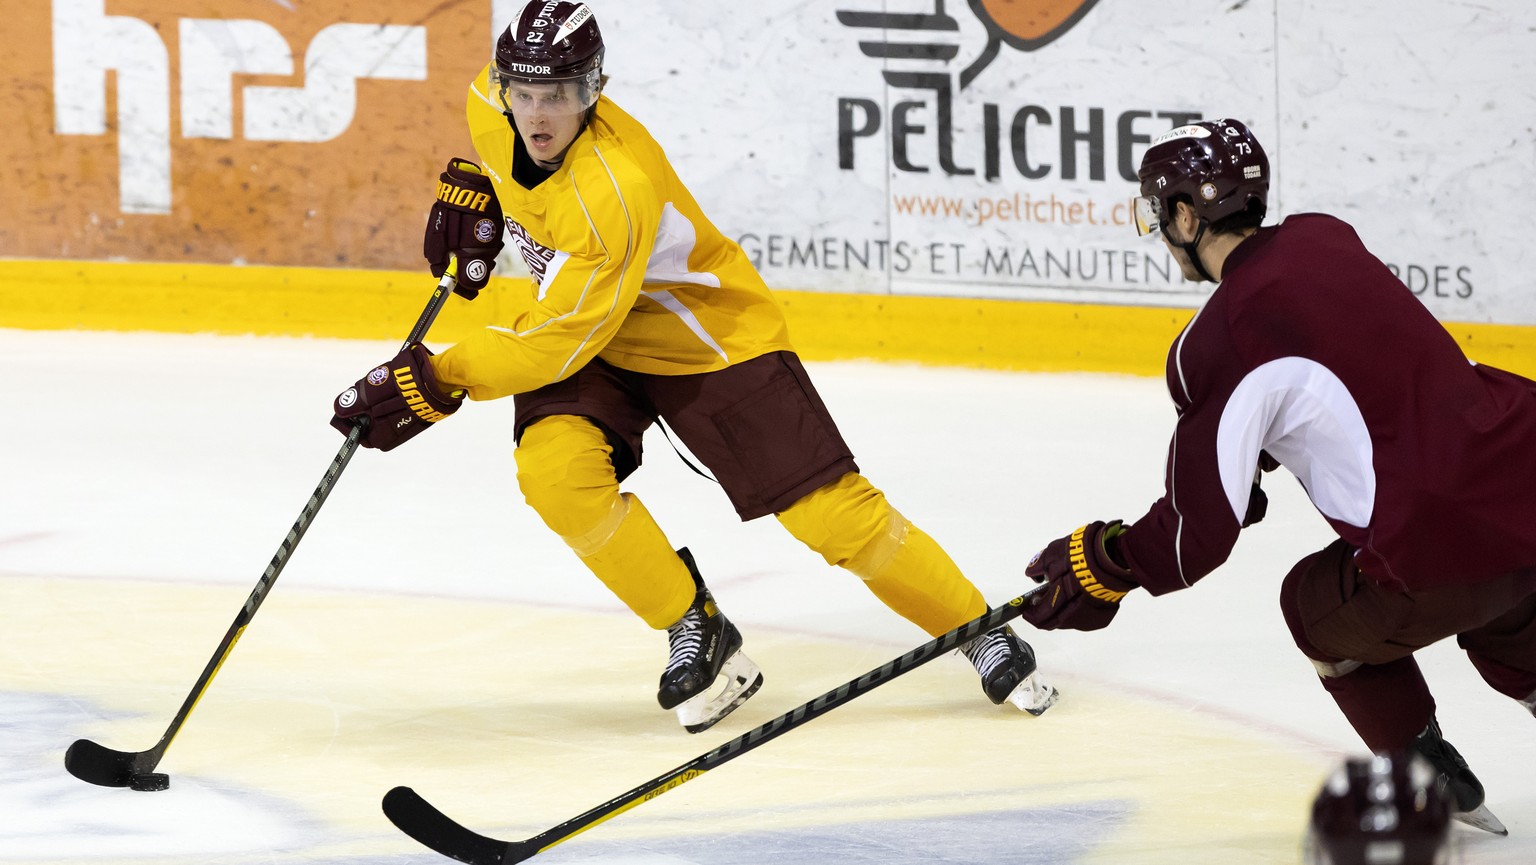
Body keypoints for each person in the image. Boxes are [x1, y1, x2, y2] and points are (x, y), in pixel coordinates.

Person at [329, 0, 1057, 734]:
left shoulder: (617, 185)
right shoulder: (489, 106)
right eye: (526, 93)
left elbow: (556, 345)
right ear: (502, 83)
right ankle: (697, 626)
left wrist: (440, 374)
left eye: (560, 96)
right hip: (591, 331)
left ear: (594, 91)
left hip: (703, 336)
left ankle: (979, 625)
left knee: (831, 513)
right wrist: (485, 193)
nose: (538, 115)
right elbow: (528, 196)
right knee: (555, 475)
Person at [1019, 118, 1536, 835]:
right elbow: (1354, 361)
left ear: (1186, 215)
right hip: (1523, 495)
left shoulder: (1214, 341)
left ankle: (1426, 769)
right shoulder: (1327, 235)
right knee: (1511, 609)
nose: (1161, 236)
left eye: (1158, 214)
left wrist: (1103, 560)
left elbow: (1190, 539)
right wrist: (1261, 448)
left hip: (1435, 553)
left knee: (1313, 607)